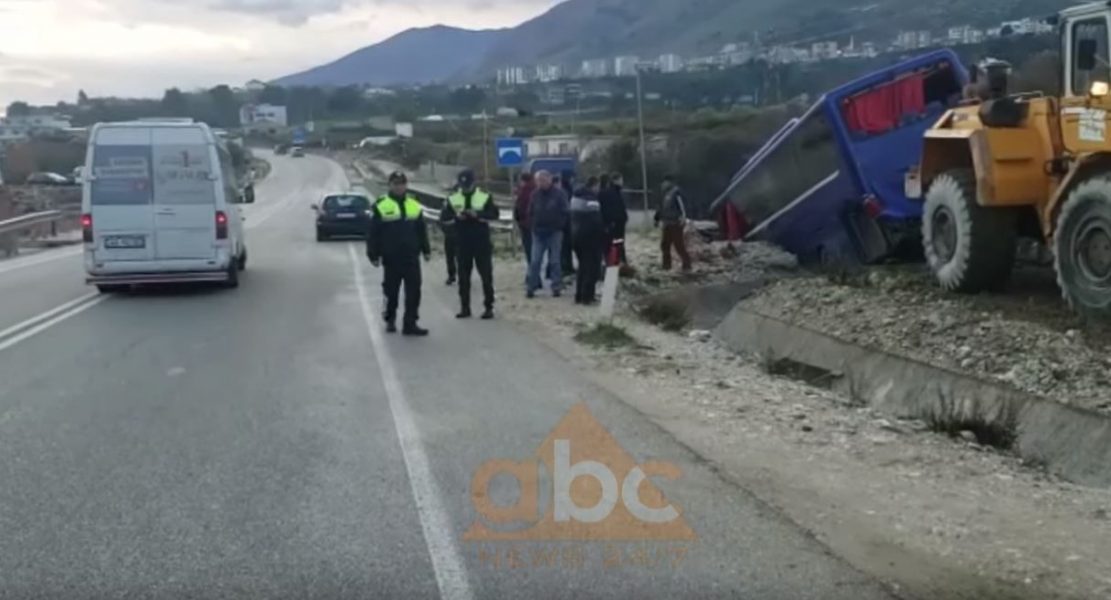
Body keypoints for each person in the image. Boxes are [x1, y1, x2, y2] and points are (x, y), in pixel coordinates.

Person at [367, 171, 431, 336]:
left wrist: (426, 250)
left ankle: (410, 323)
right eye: (395, 183)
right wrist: (373, 254)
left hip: (411, 257)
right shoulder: (381, 205)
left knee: (414, 292)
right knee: (391, 292)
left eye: (402, 183)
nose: (399, 187)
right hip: (391, 258)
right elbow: (373, 233)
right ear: (390, 185)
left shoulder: (414, 205)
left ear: (406, 185)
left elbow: (421, 230)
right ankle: (390, 319)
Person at [443, 169, 499, 320]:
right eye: (462, 184)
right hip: (462, 242)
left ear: (474, 182)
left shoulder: (485, 197)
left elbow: (494, 215)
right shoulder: (453, 198)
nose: (465, 187)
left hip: (481, 242)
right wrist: (456, 217)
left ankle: (489, 307)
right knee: (463, 278)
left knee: (486, 277)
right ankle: (465, 308)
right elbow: (444, 218)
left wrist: (478, 215)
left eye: (467, 184)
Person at [527, 170, 570, 298]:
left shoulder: (559, 194)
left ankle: (556, 286)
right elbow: (530, 210)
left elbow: (565, 211)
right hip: (538, 232)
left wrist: (560, 225)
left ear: (550, 180)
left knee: (555, 261)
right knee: (535, 261)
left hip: (554, 232)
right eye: (539, 181)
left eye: (544, 180)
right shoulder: (535, 194)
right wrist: (532, 224)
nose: (541, 183)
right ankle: (532, 286)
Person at [571, 176, 605, 305]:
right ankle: (587, 296)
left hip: (576, 236)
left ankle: (579, 295)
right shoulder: (591, 199)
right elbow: (596, 220)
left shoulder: (575, 197)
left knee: (583, 267)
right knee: (593, 268)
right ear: (595, 185)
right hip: (590, 238)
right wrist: (603, 232)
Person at [655, 175, 692, 272]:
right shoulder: (665, 194)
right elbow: (661, 208)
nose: (663, 184)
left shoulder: (676, 192)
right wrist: (657, 219)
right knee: (665, 244)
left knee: (678, 245)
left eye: (665, 182)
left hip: (675, 223)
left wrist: (684, 217)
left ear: (669, 182)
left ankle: (687, 264)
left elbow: (683, 206)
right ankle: (666, 266)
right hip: (667, 223)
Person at [598, 172, 629, 266]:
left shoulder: (609, 192)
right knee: (616, 244)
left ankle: (616, 262)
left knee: (613, 244)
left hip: (613, 222)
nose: (622, 182)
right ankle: (615, 263)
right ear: (616, 180)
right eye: (621, 180)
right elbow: (616, 208)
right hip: (616, 223)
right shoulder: (613, 192)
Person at [513, 172, 536, 264]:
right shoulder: (535, 189)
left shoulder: (523, 191)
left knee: (529, 249)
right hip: (533, 223)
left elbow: (519, 208)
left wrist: (518, 219)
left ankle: (532, 274)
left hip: (525, 224)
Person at [440, 188, 459, 286]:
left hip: (462, 235)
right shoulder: (448, 203)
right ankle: (451, 275)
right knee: (450, 256)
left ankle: (462, 275)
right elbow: (443, 219)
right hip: (451, 233)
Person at [559, 169, 577, 277]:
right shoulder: (565, 190)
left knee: (567, 246)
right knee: (565, 246)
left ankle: (567, 266)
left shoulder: (566, 189)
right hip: (565, 222)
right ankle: (565, 267)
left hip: (566, 222)